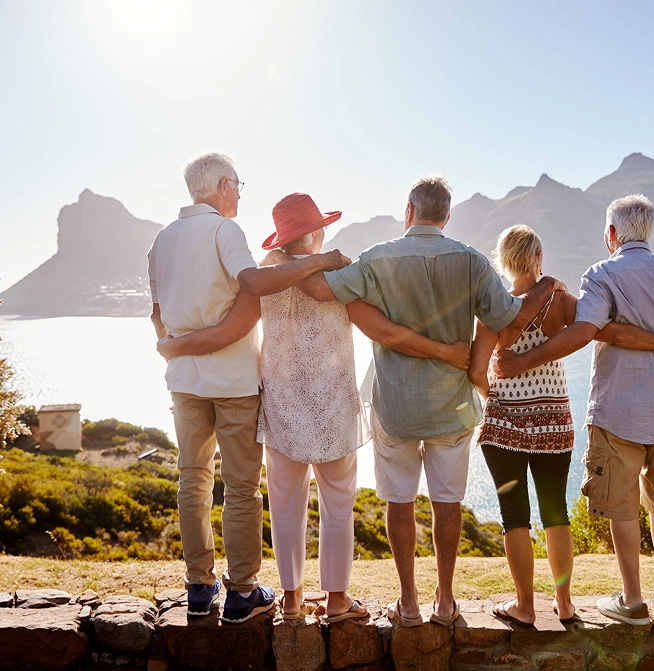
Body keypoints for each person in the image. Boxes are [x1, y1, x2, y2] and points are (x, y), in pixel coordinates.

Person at [158, 192, 471, 623]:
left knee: (285, 506)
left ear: (283, 236)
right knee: (338, 505)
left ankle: (290, 600)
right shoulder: (340, 274)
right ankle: (338, 600)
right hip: (333, 410)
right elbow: (377, 326)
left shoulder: (265, 273)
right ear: (318, 230)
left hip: (282, 407)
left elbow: (237, 325)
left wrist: (176, 344)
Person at [294, 176, 565, 627]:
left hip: (395, 405)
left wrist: (298, 257)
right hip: (453, 405)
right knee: (447, 504)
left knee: (399, 502)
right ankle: (444, 600)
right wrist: (547, 285)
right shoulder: (473, 262)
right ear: (447, 216)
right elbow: (509, 317)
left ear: (408, 210)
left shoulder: (377, 258)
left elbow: (322, 290)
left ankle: (409, 602)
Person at [147, 153, 349, 624]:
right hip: (234, 382)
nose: (239, 191)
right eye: (237, 183)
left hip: (183, 383)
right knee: (240, 488)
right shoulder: (224, 231)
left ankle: (199, 587)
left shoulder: (161, 240)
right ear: (221, 185)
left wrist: (173, 348)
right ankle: (241, 592)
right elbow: (253, 285)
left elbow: (157, 313)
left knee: (191, 479)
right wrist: (323, 259)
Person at [494, 195, 654, 625]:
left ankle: (632, 599)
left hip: (618, 412)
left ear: (612, 234)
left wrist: (519, 362)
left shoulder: (602, 274)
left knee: (622, 504)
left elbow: (587, 332)